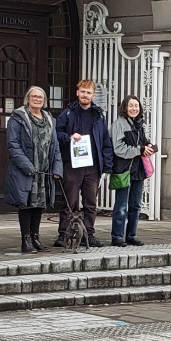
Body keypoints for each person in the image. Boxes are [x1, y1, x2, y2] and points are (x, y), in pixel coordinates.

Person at [53, 80, 114, 248]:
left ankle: (89, 234)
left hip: (93, 167)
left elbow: (106, 142)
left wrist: (107, 167)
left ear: (93, 95)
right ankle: (63, 234)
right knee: (69, 202)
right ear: (77, 92)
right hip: (72, 165)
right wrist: (69, 137)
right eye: (83, 92)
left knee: (90, 203)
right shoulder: (67, 113)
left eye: (88, 93)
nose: (85, 95)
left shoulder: (99, 115)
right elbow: (57, 134)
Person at [4, 86, 63, 253]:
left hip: (44, 170)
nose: (37, 99)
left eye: (40, 97)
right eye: (34, 96)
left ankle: (36, 237)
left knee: (39, 205)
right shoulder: (18, 118)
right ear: (28, 99)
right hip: (27, 170)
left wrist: (57, 168)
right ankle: (26, 240)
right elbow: (13, 145)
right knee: (26, 204)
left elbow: (55, 146)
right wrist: (27, 166)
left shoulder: (49, 119)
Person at [109, 95, 156, 247]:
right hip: (124, 169)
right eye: (131, 106)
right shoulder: (119, 124)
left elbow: (141, 143)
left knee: (135, 205)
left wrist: (147, 145)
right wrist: (140, 149)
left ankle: (131, 235)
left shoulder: (139, 124)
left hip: (138, 170)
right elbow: (118, 149)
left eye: (136, 106)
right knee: (121, 206)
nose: (134, 108)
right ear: (124, 107)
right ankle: (117, 236)